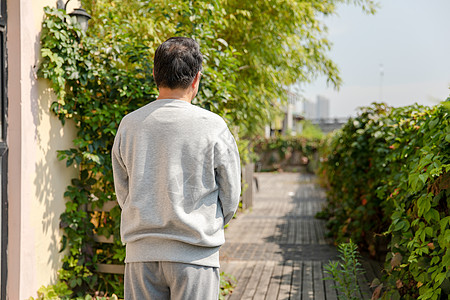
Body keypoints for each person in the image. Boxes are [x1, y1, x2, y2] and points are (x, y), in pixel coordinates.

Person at [112, 36, 241, 300]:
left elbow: (123, 191)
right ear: (197, 79)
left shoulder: (130, 125)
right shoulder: (214, 127)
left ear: (154, 74)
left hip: (141, 255)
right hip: (195, 255)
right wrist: (207, 225)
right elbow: (230, 198)